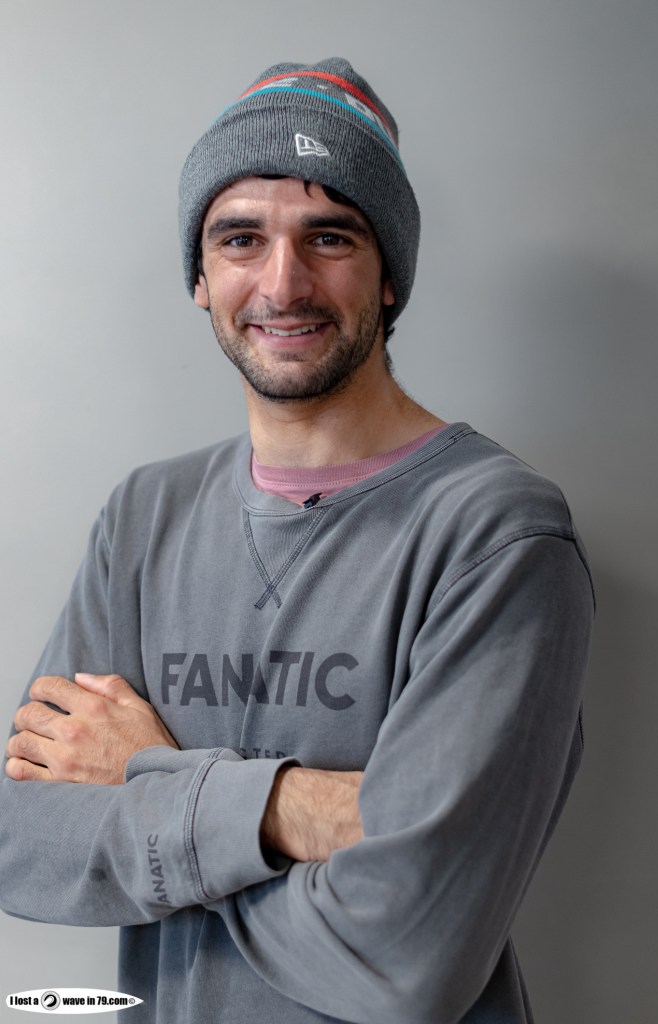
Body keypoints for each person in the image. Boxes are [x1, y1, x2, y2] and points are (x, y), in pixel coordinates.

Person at [0, 57, 594, 1023]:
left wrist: (149, 776)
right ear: (200, 278)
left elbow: (409, 955)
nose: (282, 282)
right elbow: (26, 846)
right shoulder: (143, 516)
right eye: (240, 238)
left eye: (329, 236)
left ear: (389, 276)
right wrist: (320, 814)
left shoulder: (498, 533)